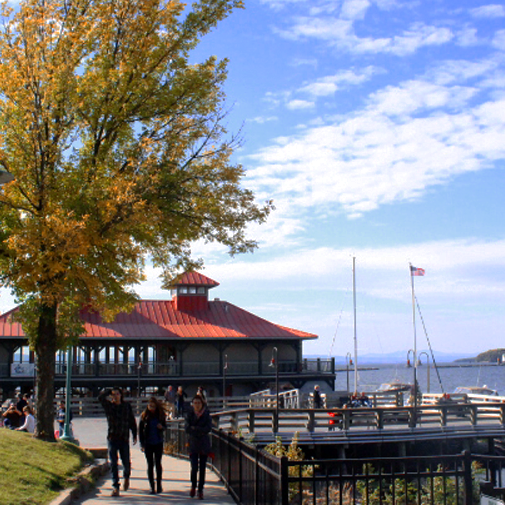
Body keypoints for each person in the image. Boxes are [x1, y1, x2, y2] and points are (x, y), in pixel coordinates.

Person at [98, 387, 138, 497]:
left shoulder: (126, 406)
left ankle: (126, 477)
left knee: (126, 462)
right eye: (113, 395)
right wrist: (108, 390)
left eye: (117, 394)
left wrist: (134, 433)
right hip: (112, 437)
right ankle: (116, 486)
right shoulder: (109, 407)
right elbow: (100, 398)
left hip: (124, 438)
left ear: (121, 395)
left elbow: (131, 420)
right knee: (113, 463)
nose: (115, 396)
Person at [185, 395, 212, 500]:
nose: (197, 405)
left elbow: (208, 428)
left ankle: (200, 489)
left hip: (203, 444)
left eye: (198, 403)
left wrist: (195, 428)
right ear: (192, 404)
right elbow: (187, 428)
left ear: (202, 404)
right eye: (195, 403)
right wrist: (200, 429)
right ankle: (193, 486)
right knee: (194, 467)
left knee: (202, 469)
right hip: (193, 444)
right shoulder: (189, 414)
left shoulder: (206, 414)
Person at [139, 396, 167, 494]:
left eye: (153, 406)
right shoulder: (144, 416)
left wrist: (161, 427)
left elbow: (165, 427)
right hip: (148, 443)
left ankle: (159, 485)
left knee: (158, 464)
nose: (152, 408)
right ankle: (152, 486)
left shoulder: (160, 415)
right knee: (150, 464)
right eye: (150, 406)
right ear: (147, 406)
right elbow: (140, 431)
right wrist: (141, 444)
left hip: (158, 442)